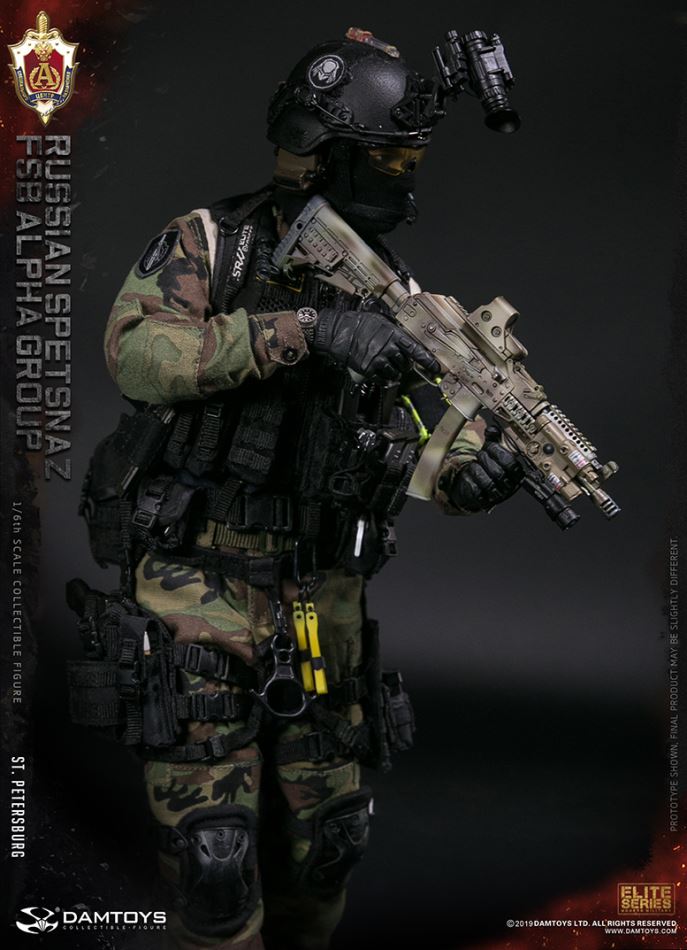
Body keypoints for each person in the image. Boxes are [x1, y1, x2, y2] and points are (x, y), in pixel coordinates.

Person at [88, 27, 523, 950]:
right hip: (200, 585)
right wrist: (301, 332)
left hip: (323, 600)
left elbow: (431, 447)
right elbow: (137, 353)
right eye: (388, 157)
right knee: (212, 857)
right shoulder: (215, 244)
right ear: (324, 152)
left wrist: (472, 474)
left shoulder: (400, 297)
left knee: (328, 843)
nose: (404, 176)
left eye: (411, 158)